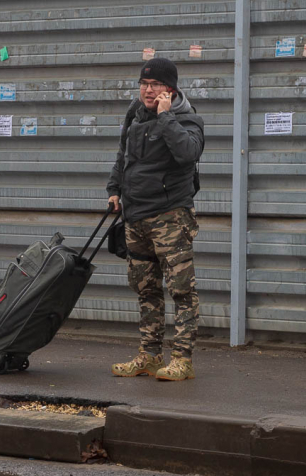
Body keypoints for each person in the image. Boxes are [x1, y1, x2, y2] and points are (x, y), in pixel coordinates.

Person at [106, 57, 204, 381]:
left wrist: (165, 117)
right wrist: (114, 188)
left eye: (155, 85)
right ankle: (149, 356)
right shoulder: (134, 114)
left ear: (170, 90)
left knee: (181, 291)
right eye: (144, 84)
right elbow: (124, 155)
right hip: (136, 216)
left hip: (170, 216)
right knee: (146, 289)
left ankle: (183, 359)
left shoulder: (187, 120)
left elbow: (188, 153)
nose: (148, 91)